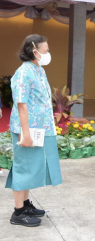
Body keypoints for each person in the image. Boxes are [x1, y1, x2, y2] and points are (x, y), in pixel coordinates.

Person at [5, 34, 62, 227]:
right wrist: (25, 133)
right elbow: (22, 105)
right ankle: (18, 212)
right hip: (27, 129)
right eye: (45, 51)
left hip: (39, 128)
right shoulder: (23, 72)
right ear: (33, 51)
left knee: (30, 167)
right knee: (23, 167)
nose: (47, 54)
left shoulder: (38, 69)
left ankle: (26, 203)